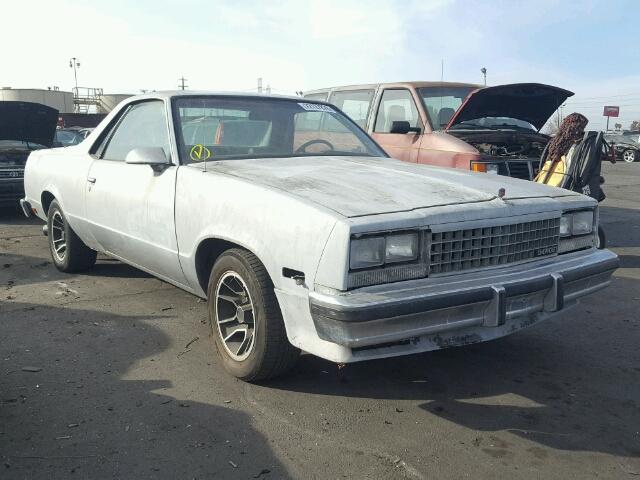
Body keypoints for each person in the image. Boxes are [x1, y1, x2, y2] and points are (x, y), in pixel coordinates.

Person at [536, 113, 589, 187]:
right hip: (564, 179)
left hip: (548, 176)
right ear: (574, 125)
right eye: (581, 127)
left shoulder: (555, 140)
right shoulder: (575, 142)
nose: (582, 130)